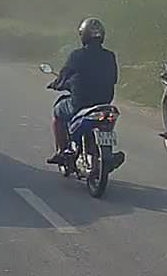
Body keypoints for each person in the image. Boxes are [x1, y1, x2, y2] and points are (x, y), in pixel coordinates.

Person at [48, 17, 119, 165]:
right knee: (107, 126)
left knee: (57, 112)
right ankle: (107, 155)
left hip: (80, 104)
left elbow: (63, 76)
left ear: (83, 35)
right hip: (104, 104)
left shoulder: (77, 55)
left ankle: (62, 151)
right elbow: (114, 79)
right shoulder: (110, 56)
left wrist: (56, 84)